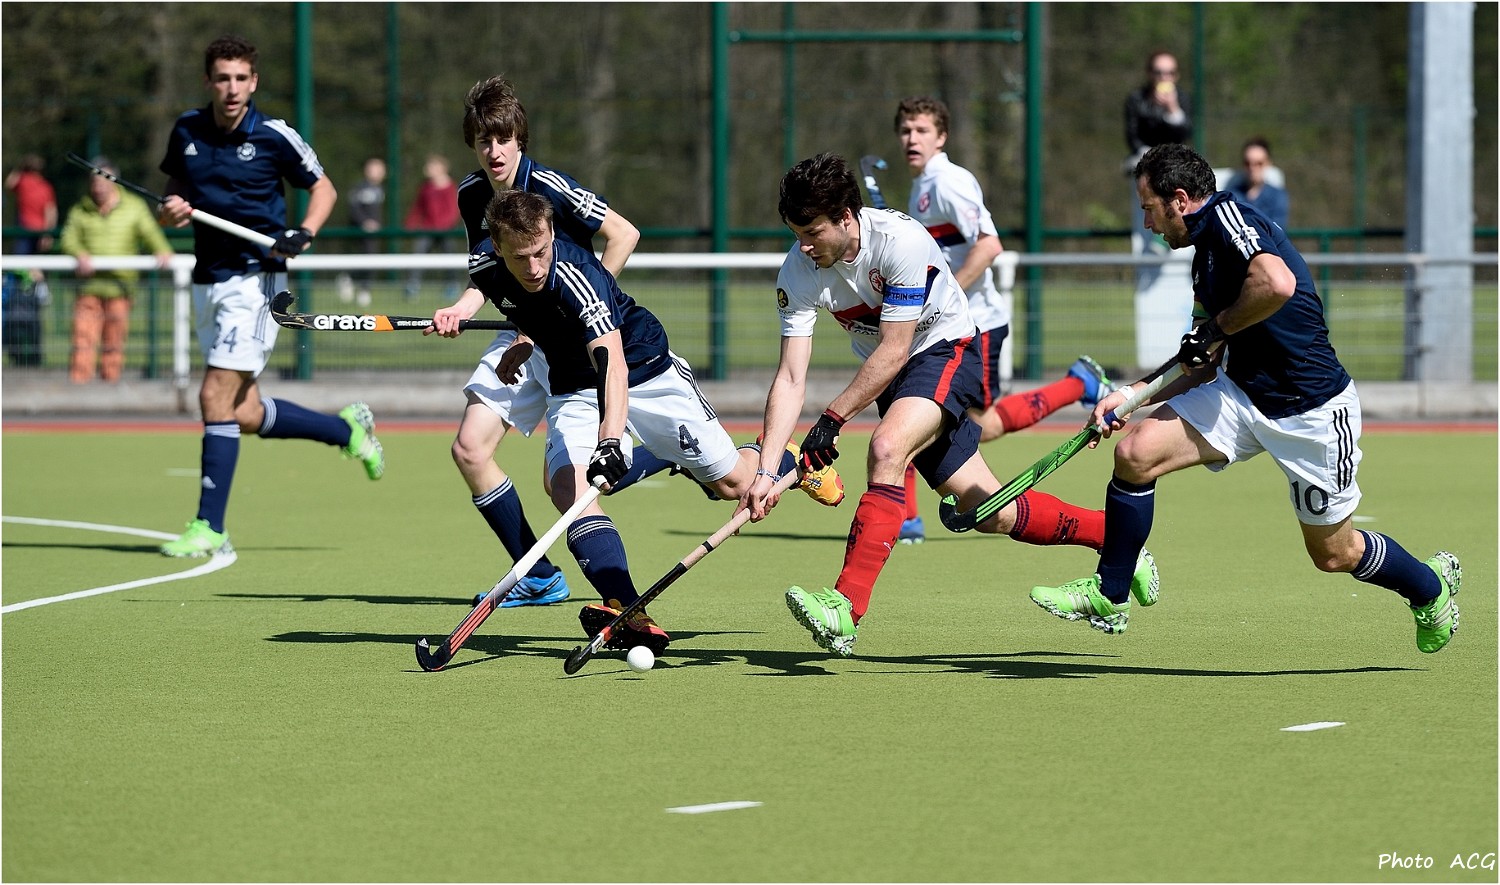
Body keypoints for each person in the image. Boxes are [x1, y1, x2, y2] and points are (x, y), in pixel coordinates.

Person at [1030, 143, 1460, 650]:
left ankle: (1429, 588)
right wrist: (1130, 397)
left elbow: (1275, 283)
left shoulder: (1230, 219)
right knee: (1135, 454)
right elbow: (1200, 360)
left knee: (1334, 554)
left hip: (1311, 413)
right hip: (1240, 396)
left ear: (1180, 200)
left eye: (1149, 209)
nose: (1147, 223)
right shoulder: (1203, 262)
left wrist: (1217, 328)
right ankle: (1111, 594)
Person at [745, 153, 1156, 657]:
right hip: (895, 374)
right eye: (796, 234)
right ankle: (1120, 544)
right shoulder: (798, 269)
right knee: (990, 512)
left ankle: (845, 608)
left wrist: (832, 419)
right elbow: (791, 376)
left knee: (887, 448)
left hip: (945, 348)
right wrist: (766, 471)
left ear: (846, 217)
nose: (804, 246)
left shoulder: (900, 241)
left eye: (812, 232)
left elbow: (896, 348)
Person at [435, 189, 844, 653]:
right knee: (567, 488)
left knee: (734, 484)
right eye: (519, 257)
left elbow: (612, 365)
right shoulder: (485, 265)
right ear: (496, 247)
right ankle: (628, 609)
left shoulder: (578, 275)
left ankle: (787, 459)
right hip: (572, 384)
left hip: (644, 370)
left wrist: (610, 441)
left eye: (541, 252)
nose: (533, 267)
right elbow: (521, 300)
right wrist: (514, 334)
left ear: (551, 234)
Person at [155, 34, 385, 558]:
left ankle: (210, 526)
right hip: (208, 279)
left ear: (253, 82)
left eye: (241, 78)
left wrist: (304, 232)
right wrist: (170, 211)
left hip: (257, 281)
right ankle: (346, 431)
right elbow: (172, 196)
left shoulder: (274, 135)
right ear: (209, 81)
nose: (232, 88)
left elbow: (323, 189)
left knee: (213, 396)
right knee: (242, 411)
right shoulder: (187, 129)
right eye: (222, 78)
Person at [428, 75, 647, 609]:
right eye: (484, 140)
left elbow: (624, 234)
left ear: (519, 139)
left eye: (503, 139)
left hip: (577, 341)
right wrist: (460, 308)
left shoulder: (549, 186)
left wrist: (573, 312)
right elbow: (486, 275)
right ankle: (538, 573)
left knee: (575, 482)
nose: (494, 151)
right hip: (522, 335)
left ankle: (682, 460)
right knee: (470, 449)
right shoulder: (471, 194)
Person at [894, 95, 1112, 544]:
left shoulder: (949, 181)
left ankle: (907, 518)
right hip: (950, 326)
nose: (911, 138)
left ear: (941, 137)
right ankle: (1078, 385)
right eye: (905, 130)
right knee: (949, 420)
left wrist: (944, 294)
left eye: (921, 130)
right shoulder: (921, 188)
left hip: (975, 324)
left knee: (946, 421)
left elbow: (989, 245)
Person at [57, 156, 175, 383]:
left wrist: (162, 250)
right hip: (89, 286)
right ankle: (79, 384)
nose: (99, 187)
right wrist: (79, 253)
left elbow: (151, 234)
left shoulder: (134, 207)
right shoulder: (80, 209)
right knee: (83, 337)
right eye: (95, 181)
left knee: (114, 339)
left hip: (121, 287)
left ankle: (110, 382)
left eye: (104, 181)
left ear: (114, 181)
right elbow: (68, 238)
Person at [403, 153, 460, 300]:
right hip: (427, 229)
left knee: (449, 259)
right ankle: (412, 287)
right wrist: (410, 224)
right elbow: (418, 208)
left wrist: (444, 225)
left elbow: (454, 210)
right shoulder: (426, 188)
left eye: (431, 166)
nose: (427, 168)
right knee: (418, 257)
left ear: (442, 168)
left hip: (446, 231)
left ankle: (452, 286)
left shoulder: (451, 187)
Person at [1123, 51, 1193, 168]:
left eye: (1170, 73)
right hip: (1143, 159)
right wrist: (1150, 155)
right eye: (1158, 72)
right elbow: (1132, 136)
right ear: (1149, 73)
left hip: (1176, 160)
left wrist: (1173, 109)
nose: (1164, 77)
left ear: (1176, 75)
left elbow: (1186, 134)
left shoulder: (1183, 99)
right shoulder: (1136, 99)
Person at [344, 156, 386, 306]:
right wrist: (364, 222)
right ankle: (349, 279)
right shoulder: (359, 188)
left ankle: (364, 289)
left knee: (371, 260)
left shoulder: (380, 190)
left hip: (373, 233)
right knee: (361, 259)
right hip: (359, 231)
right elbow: (353, 208)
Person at [1225, 137, 1289, 230]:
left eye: (1259, 163)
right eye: (1247, 163)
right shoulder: (1231, 195)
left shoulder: (1277, 196)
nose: (1252, 168)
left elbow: (1277, 229)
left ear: (1268, 163)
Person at [5, 154, 58, 256]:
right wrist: (48, 233)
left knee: (21, 261)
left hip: (27, 230)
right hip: (34, 230)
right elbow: (51, 212)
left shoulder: (24, 181)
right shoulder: (45, 187)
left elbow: (9, 184)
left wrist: (19, 168)